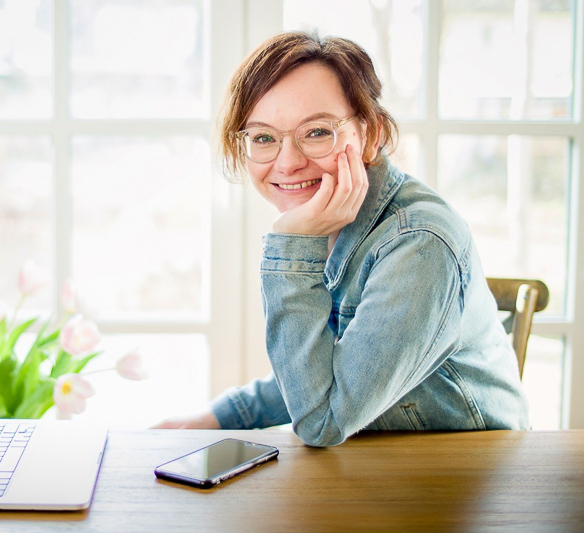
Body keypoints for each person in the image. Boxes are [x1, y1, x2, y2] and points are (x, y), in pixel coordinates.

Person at [153, 31, 529, 446]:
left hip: (471, 480)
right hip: (384, 466)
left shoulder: (420, 244)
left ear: (370, 135)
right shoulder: (331, 221)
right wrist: (217, 417)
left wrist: (290, 247)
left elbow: (323, 420)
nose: (288, 162)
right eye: (263, 138)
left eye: (316, 132)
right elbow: (331, 367)